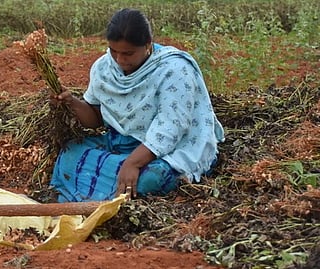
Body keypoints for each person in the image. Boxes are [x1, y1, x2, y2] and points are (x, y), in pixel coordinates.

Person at [49, 8, 225, 202]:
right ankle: (104, 190)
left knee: (151, 178)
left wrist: (133, 163)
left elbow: (172, 126)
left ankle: (103, 191)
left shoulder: (174, 70)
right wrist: (71, 102)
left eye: (128, 53)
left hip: (166, 147)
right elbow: (96, 118)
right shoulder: (104, 68)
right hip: (120, 143)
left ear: (148, 44)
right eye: (114, 51)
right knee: (70, 153)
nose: (120, 60)